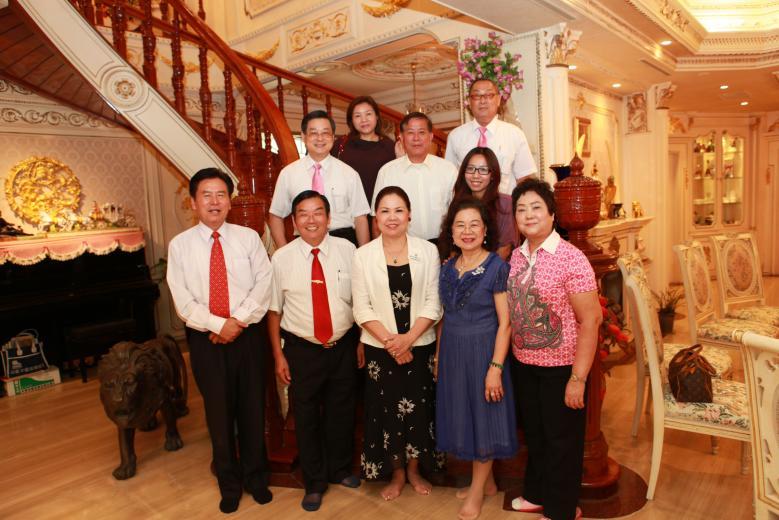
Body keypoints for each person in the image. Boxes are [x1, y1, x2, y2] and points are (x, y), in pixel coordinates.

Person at [166, 168, 273, 514]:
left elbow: (264, 284)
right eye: (206, 195)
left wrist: (236, 322)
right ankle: (229, 484)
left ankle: (257, 478)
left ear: (230, 201)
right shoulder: (180, 246)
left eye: (221, 195)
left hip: (247, 335)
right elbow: (183, 301)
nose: (214, 202)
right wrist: (217, 325)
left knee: (253, 408)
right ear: (193, 202)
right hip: (206, 340)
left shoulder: (249, 238)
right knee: (219, 414)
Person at [507, 178, 602, 520]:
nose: (529, 215)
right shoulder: (517, 256)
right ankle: (537, 494)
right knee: (536, 436)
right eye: (521, 209)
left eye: (536, 207)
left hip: (562, 367)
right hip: (524, 363)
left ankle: (563, 509)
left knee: (562, 441)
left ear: (551, 214)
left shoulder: (571, 259)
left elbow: (591, 320)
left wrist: (578, 377)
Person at [352, 186, 443, 500]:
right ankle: (397, 473)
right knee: (386, 411)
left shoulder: (427, 251)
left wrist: (408, 340)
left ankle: (415, 470)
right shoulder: (363, 255)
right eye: (385, 211)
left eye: (399, 210)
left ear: (409, 215)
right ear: (376, 217)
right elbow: (361, 308)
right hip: (380, 349)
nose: (392, 217)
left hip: (419, 345)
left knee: (418, 409)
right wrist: (393, 343)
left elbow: (434, 302)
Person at [435, 198, 517, 520]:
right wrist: (439, 357)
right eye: (460, 225)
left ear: (485, 231)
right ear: (451, 232)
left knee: (484, 419)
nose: (467, 231)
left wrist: (495, 368)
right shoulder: (447, 268)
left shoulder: (497, 267)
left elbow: (506, 323)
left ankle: (476, 490)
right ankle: (488, 482)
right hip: (454, 353)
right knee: (466, 417)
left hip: (484, 352)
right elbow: (444, 317)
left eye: (474, 225)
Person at [269, 110, 371, 248]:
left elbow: (360, 218)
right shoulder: (288, 174)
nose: (320, 138)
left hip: (343, 243)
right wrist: (284, 252)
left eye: (325, 133)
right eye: (313, 133)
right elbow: (276, 215)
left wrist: (363, 255)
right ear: (303, 136)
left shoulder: (349, 174)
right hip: (303, 243)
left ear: (333, 137)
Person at [372, 112, 457, 242]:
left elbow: (459, 212)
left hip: (442, 243)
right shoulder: (387, 172)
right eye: (410, 133)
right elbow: (376, 218)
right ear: (401, 137)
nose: (416, 138)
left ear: (431, 136)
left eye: (422, 132)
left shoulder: (448, 169)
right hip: (402, 244)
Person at [445, 78, 537, 196]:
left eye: (489, 95)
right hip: (468, 205)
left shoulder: (514, 134)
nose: (483, 100)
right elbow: (450, 180)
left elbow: (525, 178)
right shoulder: (456, 136)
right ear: (469, 101)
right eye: (477, 96)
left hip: (504, 205)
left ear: (498, 100)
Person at [444, 146, 517, 260]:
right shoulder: (457, 203)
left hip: (494, 267)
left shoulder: (505, 203)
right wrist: (454, 264)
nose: (475, 175)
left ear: (492, 175)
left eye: (483, 170)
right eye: (470, 169)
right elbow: (452, 244)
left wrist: (476, 268)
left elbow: (505, 249)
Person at [332, 96, 399, 204]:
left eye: (368, 114)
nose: (364, 120)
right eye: (357, 116)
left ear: (376, 116)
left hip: (380, 207)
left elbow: (396, 180)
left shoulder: (389, 146)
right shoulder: (340, 144)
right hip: (348, 207)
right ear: (351, 120)